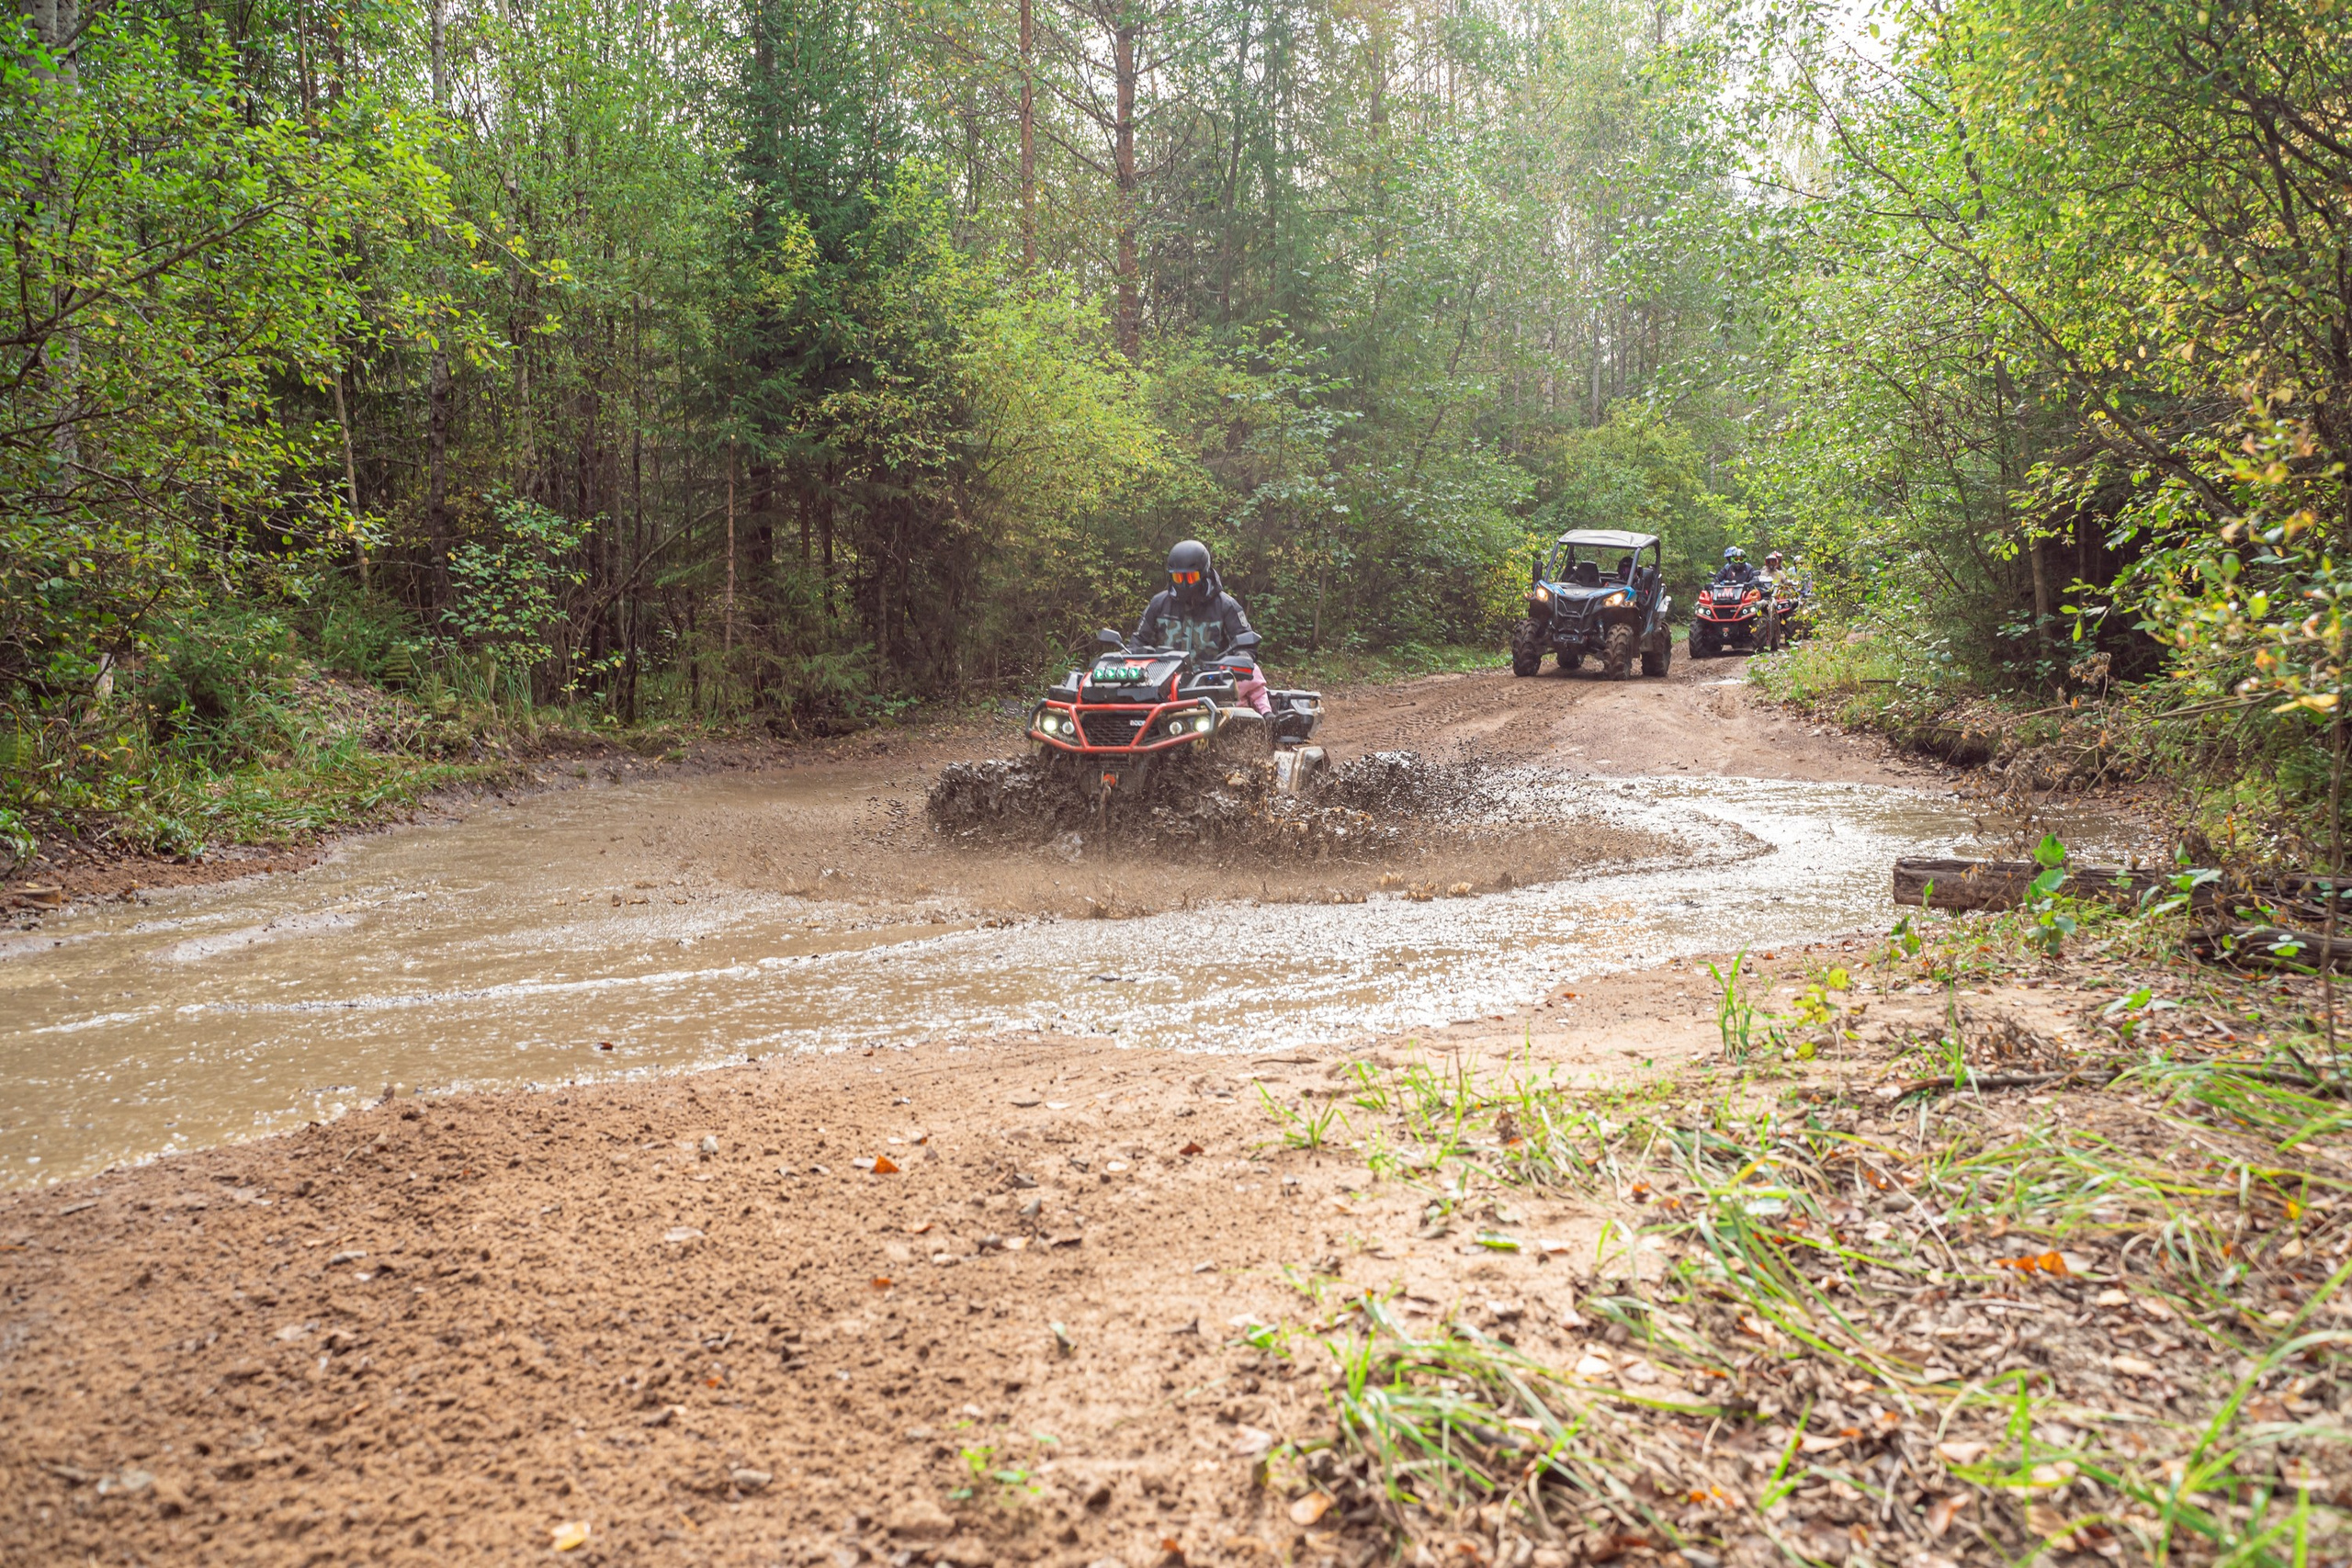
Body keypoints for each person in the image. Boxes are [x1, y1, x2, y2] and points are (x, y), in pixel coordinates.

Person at [1134, 539, 1271, 714]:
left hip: (1209, 685)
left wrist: (1237, 662)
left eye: (1190, 577)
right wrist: (1127, 656)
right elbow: (1138, 641)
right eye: (1178, 577)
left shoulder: (1226, 606)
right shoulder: (1158, 604)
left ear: (1204, 573)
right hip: (1161, 684)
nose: (1184, 583)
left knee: (1231, 720)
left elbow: (1245, 643)